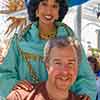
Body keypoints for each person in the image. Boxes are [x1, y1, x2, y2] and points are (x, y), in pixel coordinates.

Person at [0, 0, 96, 99]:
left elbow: (86, 77)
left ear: (59, 12)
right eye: (44, 4)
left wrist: (84, 95)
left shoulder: (70, 40)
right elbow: (4, 74)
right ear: (36, 9)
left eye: (54, 6)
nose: (49, 10)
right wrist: (14, 86)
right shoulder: (20, 41)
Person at [7, 36, 90, 100]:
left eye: (70, 63)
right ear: (47, 65)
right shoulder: (21, 97)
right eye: (58, 63)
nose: (65, 71)